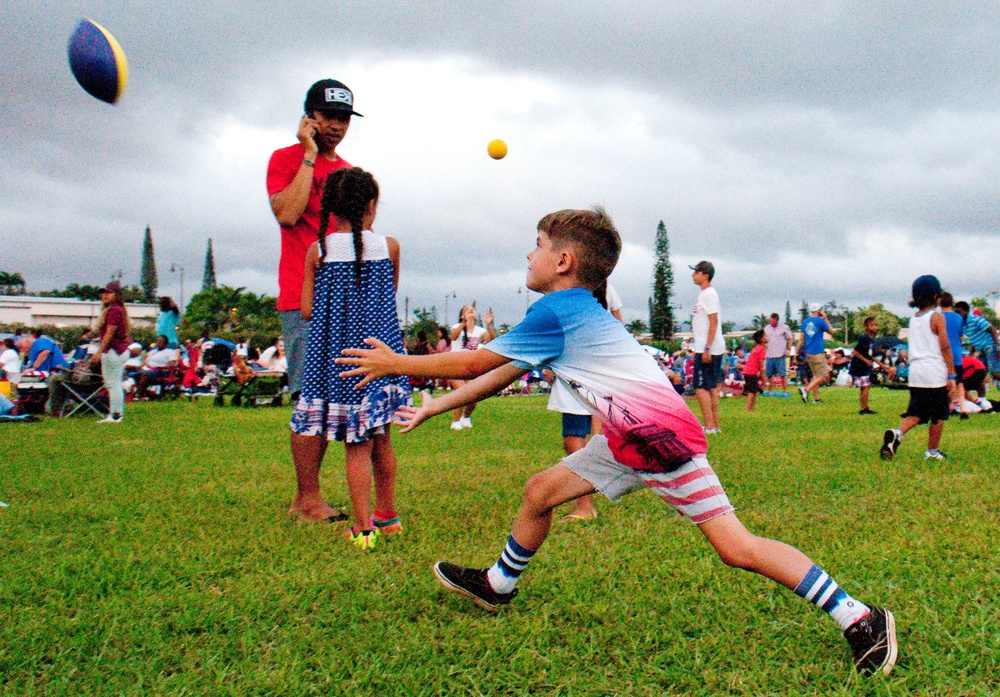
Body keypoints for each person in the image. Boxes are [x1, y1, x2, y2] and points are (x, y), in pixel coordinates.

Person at [339, 207, 897, 676]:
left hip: (659, 440)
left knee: (738, 548)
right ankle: (498, 584)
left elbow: (477, 359)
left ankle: (859, 616)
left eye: (535, 247)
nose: (527, 257)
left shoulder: (557, 309)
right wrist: (437, 404)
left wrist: (398, 363)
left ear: (563, 261)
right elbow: (503, 371)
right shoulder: (568, 311)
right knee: (539, 492)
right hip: (628, 439)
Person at [288, 167, 410, 548]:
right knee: (382, 439)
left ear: (329, 208)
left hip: (341, 363)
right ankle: (387, 515)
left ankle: (363, 528)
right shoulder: (389, 247)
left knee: (356, 445)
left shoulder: (318, 251)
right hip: (384, 357)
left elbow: (306, 310)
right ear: (372, 205)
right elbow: (388, 295)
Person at [267, 79, 361, 398]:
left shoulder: (350, 174)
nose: (337, 126)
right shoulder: (284, 159)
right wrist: (309, 153)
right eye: (329, 116)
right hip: (301, 298)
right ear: (309, 118)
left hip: (346, 298)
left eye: (344, 118)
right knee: (308, 400)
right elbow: (287, 215)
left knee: (351, 399)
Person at [547, 283, 624, 522]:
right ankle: (588, 500)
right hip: (584, 368)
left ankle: (585, 505)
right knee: (583, 437)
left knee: (575, 439)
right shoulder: (604, 288)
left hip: (580, 367)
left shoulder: (580, 289)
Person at [881, 276, 951, 461]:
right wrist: (951, 373)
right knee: (938, 414)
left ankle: (897, 433)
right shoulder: (937, 317)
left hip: (916, 372)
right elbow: (944, 346)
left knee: (917, 413)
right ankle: (932, 451)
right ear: (936, 295)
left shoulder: (914, 319)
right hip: (934, 371)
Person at [689, 260, 725, 434]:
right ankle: (714, 424)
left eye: (696, 272)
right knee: (710, 386)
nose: (693, 275)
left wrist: (707, 347)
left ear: (705, 275)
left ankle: (710, 426)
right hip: (707, 345)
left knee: (701, 386)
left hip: (707, 347)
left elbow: (713, 320)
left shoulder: (708, 294)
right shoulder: (705, 295)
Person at [448, 305, 496, 430]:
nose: (471, 311)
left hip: (471, 367)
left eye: (472, 309)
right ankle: (455, 421)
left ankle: (466, 417)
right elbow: (453, 337)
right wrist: (464, 322)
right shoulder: (456, 327)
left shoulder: (479, 330)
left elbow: (492, 340)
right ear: (461, 315)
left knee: (474, 396)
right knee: (462, 392)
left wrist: (489, 325)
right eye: (467, 309)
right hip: (455, 365)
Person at [90, 282, 132, 423]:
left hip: (112, 351)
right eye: (104, 293)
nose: (105, 295)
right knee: (115, 383)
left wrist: (98, 352)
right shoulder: (118, 309)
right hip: (118, 350)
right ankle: (116, 414)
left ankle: (115, 415)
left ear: (116, 295)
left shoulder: (113, 310)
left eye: (109, 292)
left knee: (112, 384)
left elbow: (109, 333)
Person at [849, 317, 893, 415]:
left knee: (864, 387)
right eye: (871, 325)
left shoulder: (872, 340)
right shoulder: (864, 338)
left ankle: (864, 407)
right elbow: (855, 352)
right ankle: (864, 408)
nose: (874, 327)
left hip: (865, 366)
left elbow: (871, 355)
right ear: (866, 326)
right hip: (859, 366)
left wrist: (883, 366)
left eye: (875, 325)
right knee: (866, 386)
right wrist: (865, 360)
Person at [953, 301, 999, 385]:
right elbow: (972, 339)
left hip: (989, 346)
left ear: (965, 311)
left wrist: (998, 348)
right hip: (980, 349)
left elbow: (992, 330)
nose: (957, 315)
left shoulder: (975, 319)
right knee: (981, 372)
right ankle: (983, 397)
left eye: (958, 312)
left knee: (995, 371)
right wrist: (971, 354)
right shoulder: (963, 324)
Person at [938, 293, 967, 418]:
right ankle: (963, 407)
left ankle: (950, 406)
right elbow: (961, 337)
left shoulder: (938, 317)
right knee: (959, 381)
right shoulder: (959, 318)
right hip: (957, 353)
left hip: (943, 354)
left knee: (944, 381)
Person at [798, 304, 833, 404]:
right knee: (823, 374)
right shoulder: (820, 321)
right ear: (819, 311)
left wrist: (796, 351)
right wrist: (826, 319)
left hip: (808, 351)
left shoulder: (805, 322)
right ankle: (806, 390)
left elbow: (801, 339)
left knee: (815, 375)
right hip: (818, 351)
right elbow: (831, 331)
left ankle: (816, 398)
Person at [763, 313, 794, 392]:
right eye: (771, 321)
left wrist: (789, 349)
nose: (772, 323)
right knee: (769, 374)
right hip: (769, 354)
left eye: (774, 321)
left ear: (777, 320)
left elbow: (790, 338)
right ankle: (770, 391)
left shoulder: (784, 328)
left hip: (780, 354)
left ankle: (785, 391)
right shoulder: (766, 328)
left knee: (783, 374)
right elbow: (763, 340)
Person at [743, 330, 766, 412]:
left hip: (749, 371)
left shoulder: (758, 348)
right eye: (765, 336)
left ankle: (751, 409)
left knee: (754, 391)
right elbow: (761, 365)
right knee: (751, 391)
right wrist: (763, 377)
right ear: (761, 339)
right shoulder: (761, 349)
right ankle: (748, 409)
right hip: (751, 372)